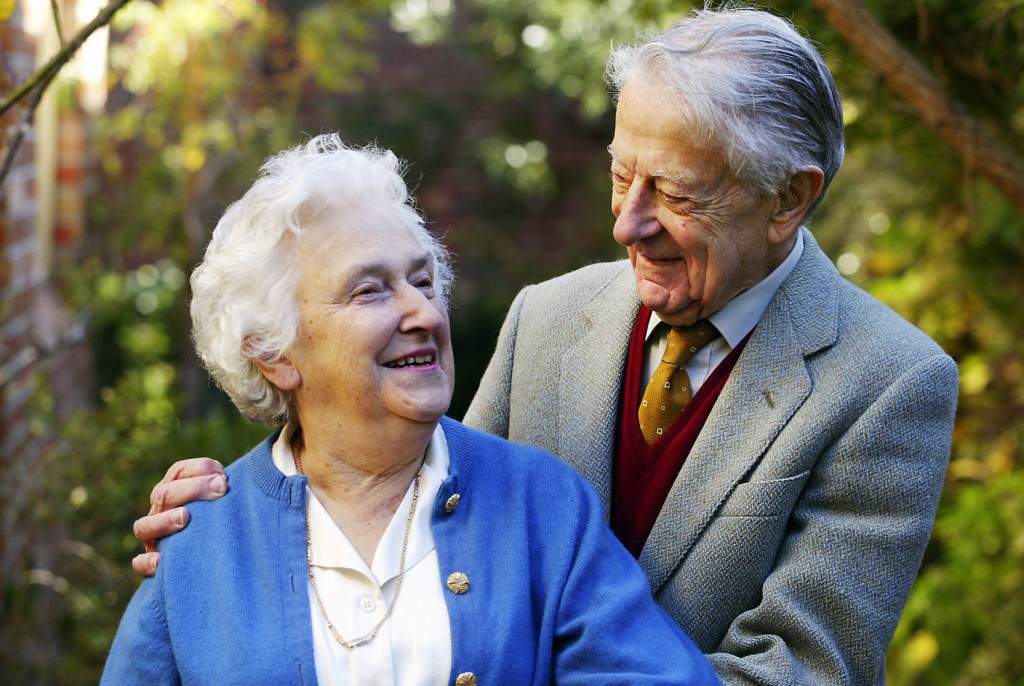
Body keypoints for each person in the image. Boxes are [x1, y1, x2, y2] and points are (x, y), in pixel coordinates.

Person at [129, 7, 959, 684]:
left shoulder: (888, 382)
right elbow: (427, 500)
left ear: (787, 199)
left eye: (670, 192)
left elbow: (802, 672)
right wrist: (243, 524)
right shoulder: (549, 317)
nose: (624, 223)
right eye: (619, 174)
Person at [102, 134, 720, 685]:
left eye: (423, 282)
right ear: (274, 354)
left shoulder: (542, 505)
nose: (423, 313)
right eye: (369, 290)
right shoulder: (199, 537)